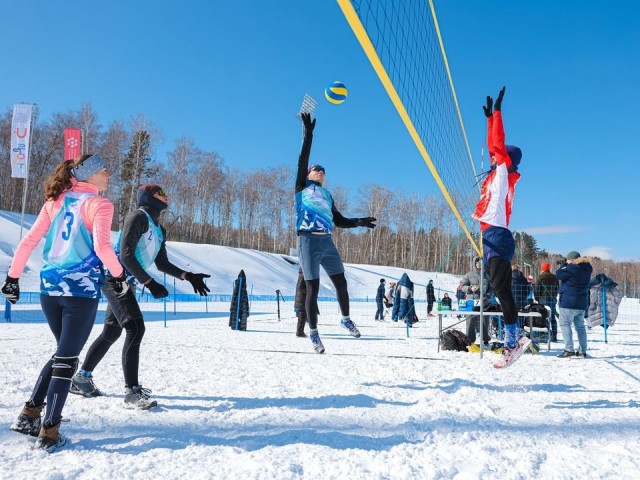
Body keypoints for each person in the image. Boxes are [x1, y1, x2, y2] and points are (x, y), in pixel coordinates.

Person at [2, 154, 127, 451]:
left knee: (63, 353)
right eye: (103, 170)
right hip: (79, 290)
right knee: (68, 359)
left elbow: (28, 242)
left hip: (49, 288)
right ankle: (49, 432)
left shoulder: (54, 203)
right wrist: (119, 275)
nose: (108, 174)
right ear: (89, 175)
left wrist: (13, 278)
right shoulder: (99, 205)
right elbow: (102, 246)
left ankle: (29, 414)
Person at [72, 183, 210, 409]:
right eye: (161, 193)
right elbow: (125, 256)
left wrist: (188, 275)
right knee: (136, 328)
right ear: (149, 197)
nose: (167, 196)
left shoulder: (159, 229)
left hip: (128, 281)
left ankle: (81, 378)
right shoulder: (137, 217)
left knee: (111, 332)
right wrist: (150, 282)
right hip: (115, 279)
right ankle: (132, 392)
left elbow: (162, 262)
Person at [295, 113, 377, 353]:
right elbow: (302, 159)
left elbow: (339, 221)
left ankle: (345, 318)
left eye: (323, 170)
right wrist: (309, 134)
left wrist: (360, 221)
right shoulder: (302, 188)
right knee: (313, 289)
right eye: (316, 170)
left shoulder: (327, 195)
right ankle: (313, 334)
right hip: (307, 241)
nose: (320, 172)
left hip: (327, 242)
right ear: (309, 174)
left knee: (341, 282)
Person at [472, 86, 527, 363]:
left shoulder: (504, 173)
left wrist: (497, 114)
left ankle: (512, 341)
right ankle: (514, 337)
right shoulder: (498, 174)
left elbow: (497, 145)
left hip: (497, 236)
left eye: (500, 156)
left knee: (501, 290)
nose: (494, 157)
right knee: (498, 289)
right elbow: (493, 146)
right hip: (492, 236)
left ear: (507, 159)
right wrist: (488, 121)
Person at [556, 251, 593, 358]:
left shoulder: (572, 267)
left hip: (568, 301)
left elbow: (559, 274)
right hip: (581, 302)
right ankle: (582, 350)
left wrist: (564, 265)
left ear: (571, 259)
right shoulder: (587, 268)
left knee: (565, 324)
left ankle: (569, 349)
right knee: (580, 327)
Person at [460, 256, 491, 345]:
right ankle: (470, 340)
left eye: (481, 263)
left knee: (485, 321)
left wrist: (488, 295)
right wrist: (470, 288)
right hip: (472, 301)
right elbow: (462, 287)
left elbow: (492, 287)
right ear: (474, 264)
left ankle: (485, 340)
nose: (479, 265)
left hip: (484, 301)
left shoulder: (487, 275)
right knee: (470, 321)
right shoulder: (468, 275)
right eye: (477, 263)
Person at [534, 263, 559, 341]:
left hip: (542, 299)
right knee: (552, 317)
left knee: (543, 317)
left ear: (542, 268)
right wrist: (554, 295)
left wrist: (537, 298)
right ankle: (554, 335)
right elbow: (557, 288)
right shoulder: (555, 277)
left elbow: (536, 289)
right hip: (552, 299)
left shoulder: (540, 277)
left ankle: (544, 335)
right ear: (549, 268)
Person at [293, 267, 317, 337]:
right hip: (301, 299)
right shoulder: (303, 275)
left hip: (302, 298)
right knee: (302, 315)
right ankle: (299, 332)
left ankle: (301, 331)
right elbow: (301, 287)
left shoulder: (303, 275)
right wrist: (310, 291)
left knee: (304, 315)